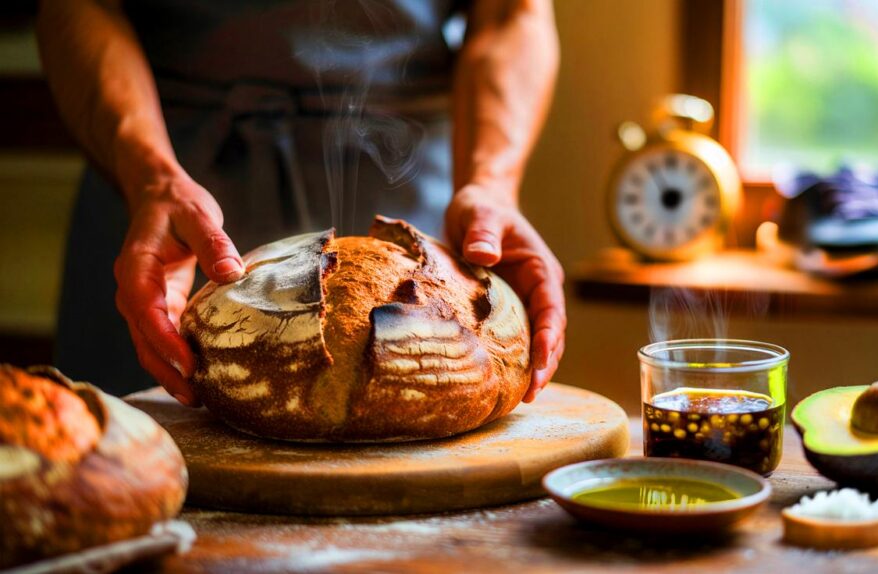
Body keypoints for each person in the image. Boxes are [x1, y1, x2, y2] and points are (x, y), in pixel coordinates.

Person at [37, 0, 564, 406]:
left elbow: (511, 14)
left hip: (410, 197)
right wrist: (150, 178)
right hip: (162, 189)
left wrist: (490, 185)